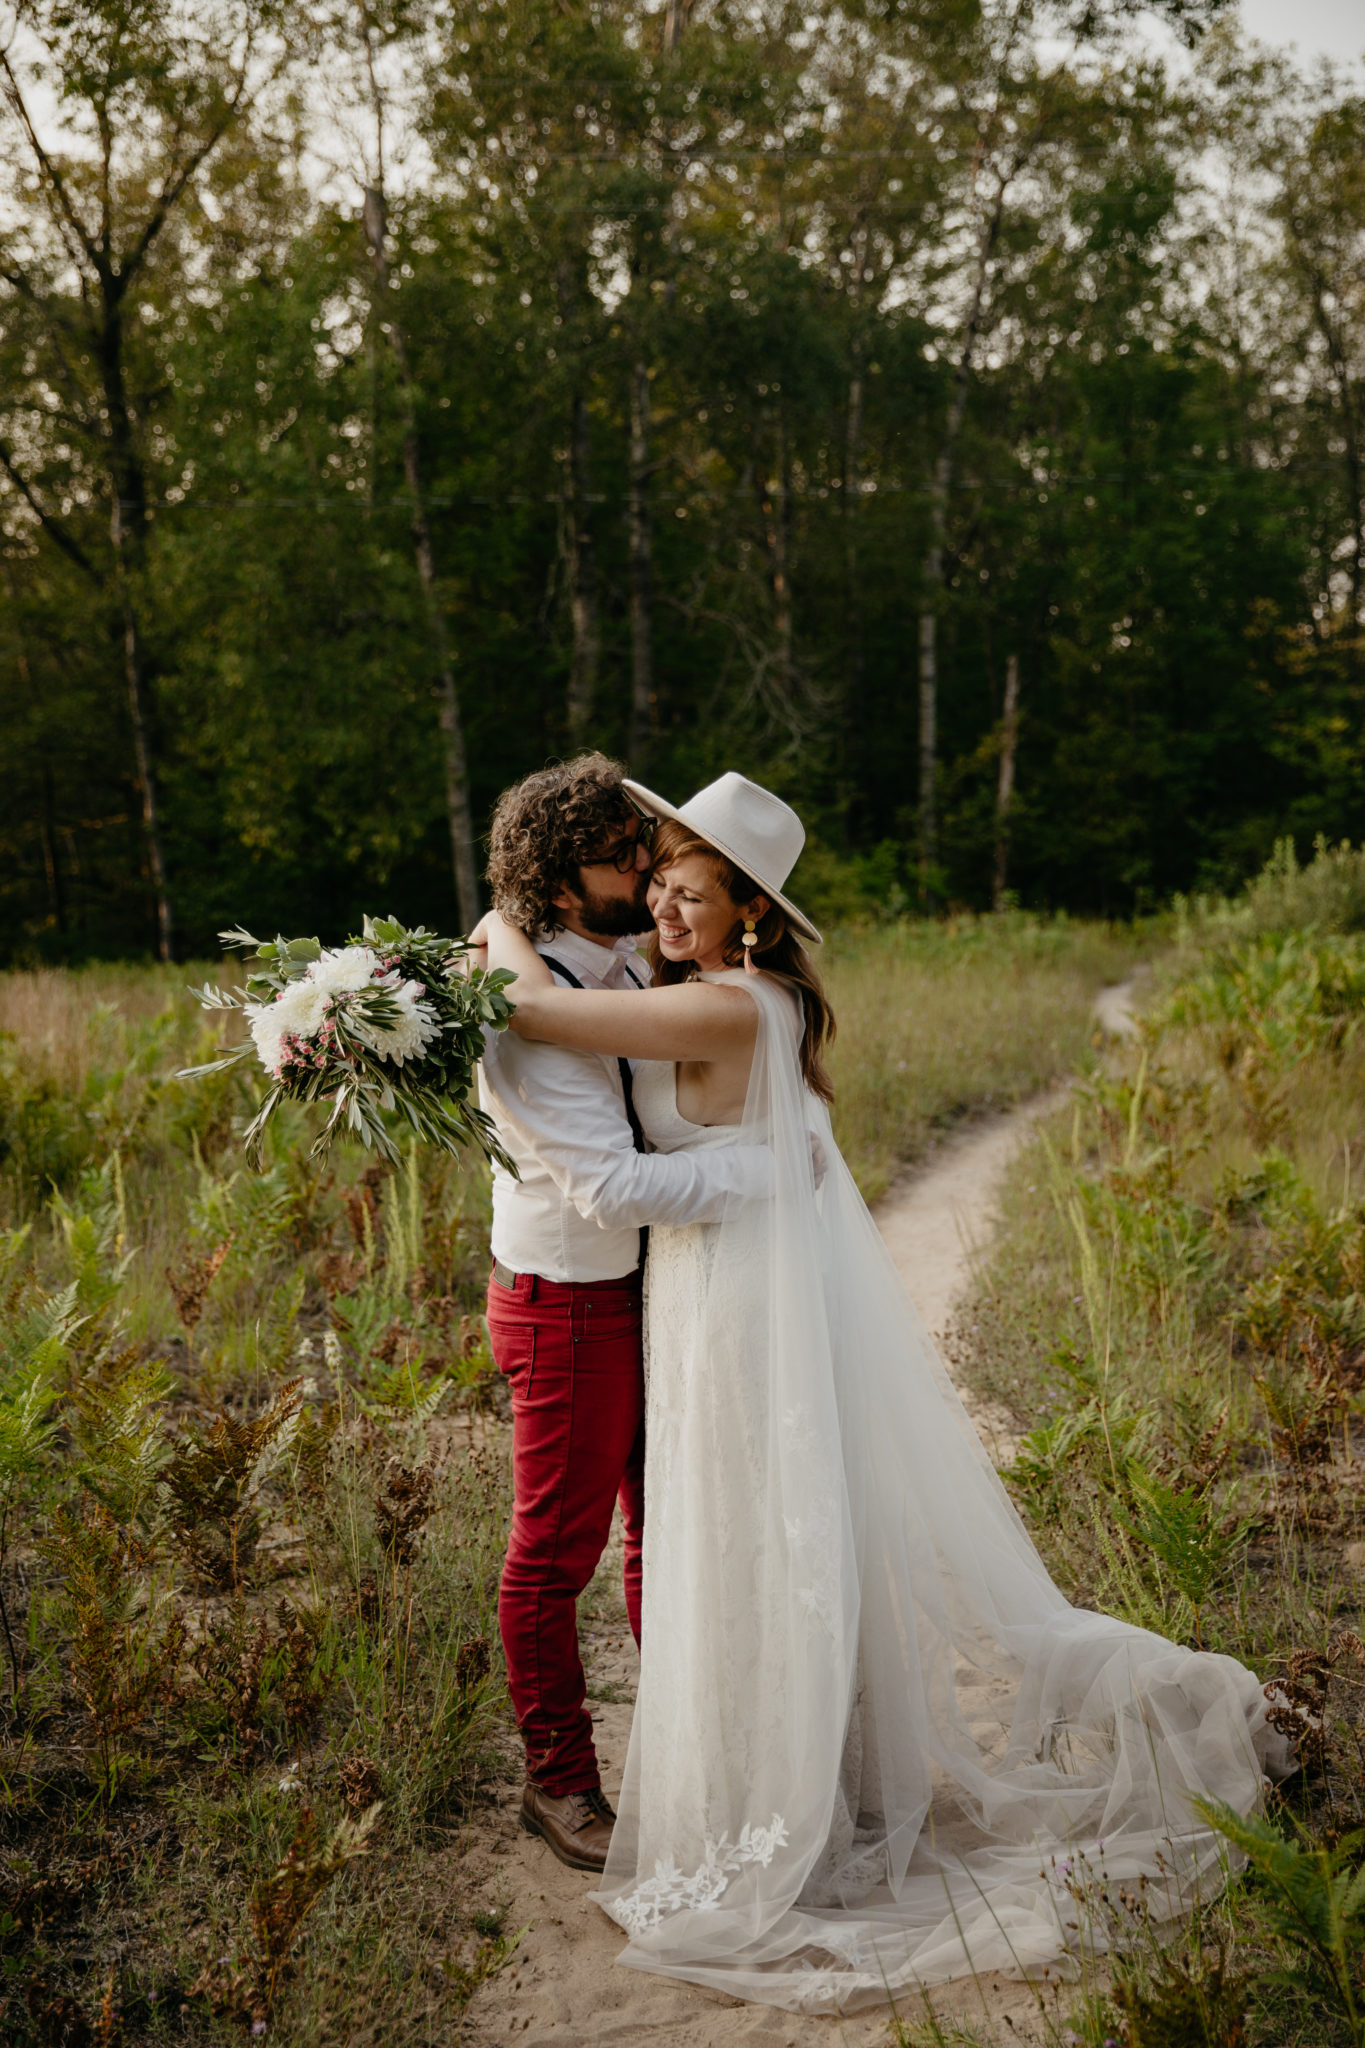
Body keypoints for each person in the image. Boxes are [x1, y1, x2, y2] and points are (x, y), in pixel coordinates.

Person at [476, 768, 1292, 2014]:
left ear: (748, 910)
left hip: (730, 1301)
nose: (660, 904)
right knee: (718, 1542)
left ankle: (799, 1790)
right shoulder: (706, 986)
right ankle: (773, 1768)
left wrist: (490, 928)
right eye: (657, 881)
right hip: (693, 1295)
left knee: (748, 1538)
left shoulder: (731, 1008)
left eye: (688, 890)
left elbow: (535, 1017)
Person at [477, 754, 776, 1876]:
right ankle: (557, 1780)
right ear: (560, 886)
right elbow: (611, 1185)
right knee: (556, 1554)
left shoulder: (610, 963)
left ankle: (689, 1755)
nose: (649, 872)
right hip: (569, 1302)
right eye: (624, 858)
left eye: (647, 851)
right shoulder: (517, 1016)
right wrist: (768, 1179)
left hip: (648, 1290)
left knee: (666, 1527)